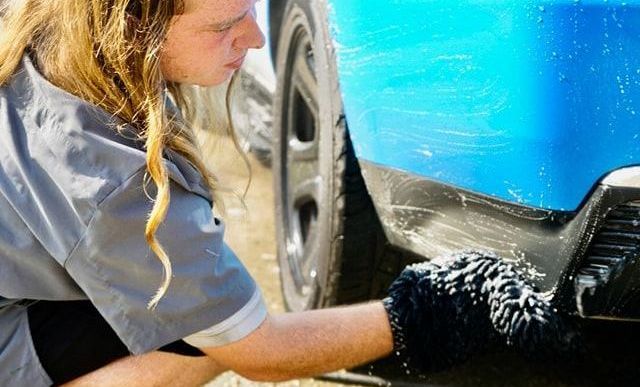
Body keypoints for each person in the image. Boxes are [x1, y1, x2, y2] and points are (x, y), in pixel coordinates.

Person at [0, 1, 397, 385]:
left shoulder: (48, 26)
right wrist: (420, 312)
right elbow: (263, 351)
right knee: (201, 328)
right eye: (224, 26)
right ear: (134, 25)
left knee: (189, 306)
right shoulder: (109, 178)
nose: (256, 38)